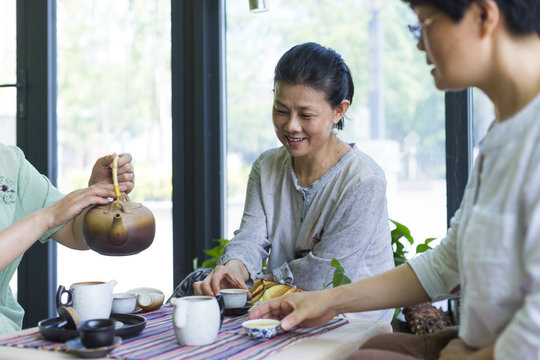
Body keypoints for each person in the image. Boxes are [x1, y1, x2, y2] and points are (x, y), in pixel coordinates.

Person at [249, 1, 540, 359]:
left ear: (483, 15)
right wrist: (325, 300)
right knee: (374, 348)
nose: (420, 44)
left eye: (424, 25)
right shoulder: (505, 133)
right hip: (473, 341)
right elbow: (449, 263)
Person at [172, 42, 395, 321]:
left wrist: (258, 283)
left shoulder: (364, 181)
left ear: (339, 110)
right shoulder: (266, 166)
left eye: (305, 115)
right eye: (281, 110)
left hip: (346, 321)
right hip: (279, 305)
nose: (291, 125)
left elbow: (321, 278)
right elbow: (251, 238)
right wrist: (234, 267)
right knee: (198, 286)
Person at [0, 143, 135, 333]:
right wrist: (46, 218)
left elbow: (73, 232)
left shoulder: (9, 162)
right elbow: (52, 216)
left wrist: (95, 196)